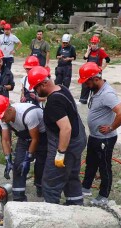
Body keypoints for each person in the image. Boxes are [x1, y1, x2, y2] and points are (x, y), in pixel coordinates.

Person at [28, 66, 87, 205]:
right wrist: (39, 98)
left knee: (50, 183)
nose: (36, 90)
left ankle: (51, 217)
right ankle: (76, 206)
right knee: (72, 176)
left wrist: (60, 153)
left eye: (36, 88)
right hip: (78, 140)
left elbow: (65, 128)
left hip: (66, 145)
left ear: (43, 84)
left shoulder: (54, 103)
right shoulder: (62, 89)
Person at [78, 62, 121, 206]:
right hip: (95, 136)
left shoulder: (107, 94)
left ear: (95, 78)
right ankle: (86, 188)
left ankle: (103, 196)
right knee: (90, 163)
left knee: (104, 166)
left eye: (87, 81)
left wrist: (111, 127)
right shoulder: (96, 90)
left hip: (105, 139)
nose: (85, 85)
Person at [0, 95, 47, 200]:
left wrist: (28, 158)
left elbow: (35, 139)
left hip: (42, 136)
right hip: (24, 136)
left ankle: (40, 187)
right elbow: (5, 139)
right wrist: (8, 159)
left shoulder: (29, 114)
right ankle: (18, 197)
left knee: (41, 164)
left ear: (10, 109)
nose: (2, 120)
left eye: (3, 117)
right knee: (18, 165)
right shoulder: (3, 117)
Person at [79, 36, 111, 104]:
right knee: (85, 85)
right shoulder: (89, 51)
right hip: (88, 73)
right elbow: (85, 58)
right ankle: (83, 101)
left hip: (96, 73)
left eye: (95, 44)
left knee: (96, 87)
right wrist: (88, 50)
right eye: (92, 43)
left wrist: (102, 67)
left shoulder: (100, 51)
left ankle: (96, 102)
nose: (93, 45)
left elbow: (108, 59)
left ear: (97, 44)